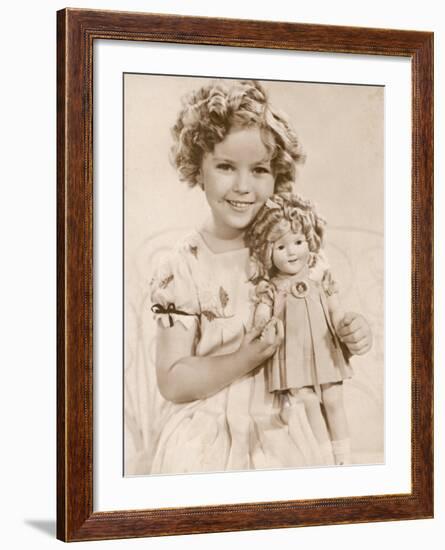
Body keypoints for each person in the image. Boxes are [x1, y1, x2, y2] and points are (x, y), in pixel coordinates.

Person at [149, 80, 372, 474]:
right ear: (198, 169)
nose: (242, 186)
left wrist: (351, 332)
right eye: (225, 167)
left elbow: (320, 325)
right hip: (210, 429)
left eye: (259, 170)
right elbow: (172, 380)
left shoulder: (293, 253)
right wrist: (244, 358)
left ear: (277, 176)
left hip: (291, 420)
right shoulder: (183, 266)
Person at [246, 193, 361, 465]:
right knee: (308, 402)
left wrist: (343, 324)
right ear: (267, 251)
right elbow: (262, 313)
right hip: (292, 354)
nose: (293, 252)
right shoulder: (272, 287)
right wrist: (262, 323)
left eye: (298, 242)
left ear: (309, 242)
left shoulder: (318, 275)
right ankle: (324, 461)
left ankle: (345, 460)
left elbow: (335, 308)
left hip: (323, 348)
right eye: (281, 247)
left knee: (333, 399)